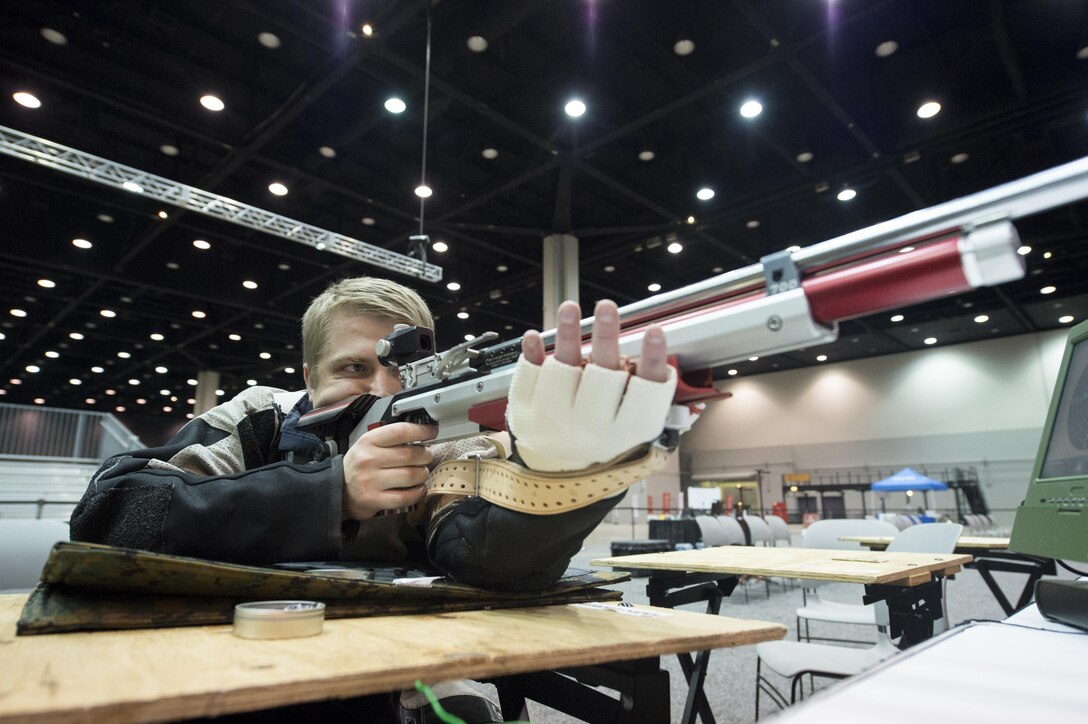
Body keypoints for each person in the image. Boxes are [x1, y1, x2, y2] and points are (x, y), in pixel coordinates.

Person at [70, 275, 678, 722]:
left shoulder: (447, 439)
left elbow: (488, 560)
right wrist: (330, 493)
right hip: (247, 668)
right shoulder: (258, 418)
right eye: (355, 368)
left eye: (404, 370)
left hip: (410, 678)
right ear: (308, 378)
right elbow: (114, 512)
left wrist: (564, 473)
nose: (381, 392)